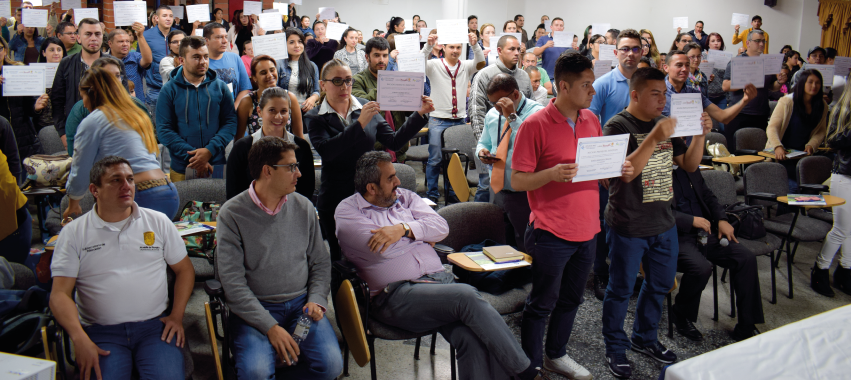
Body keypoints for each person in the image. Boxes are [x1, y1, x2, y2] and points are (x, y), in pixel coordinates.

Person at [334, 151, 542, 380]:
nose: (398, 182)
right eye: (391, 178)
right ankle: (526, 373)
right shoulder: (347, 212)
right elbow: (382, 250)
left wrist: (404, 230)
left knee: (470, 338)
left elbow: (442, 228)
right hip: (395, 295)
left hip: (439, 283)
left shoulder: (405, 197)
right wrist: (421, 235)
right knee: (466, 296)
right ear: (372, 188)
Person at [512, 51, 632, 380]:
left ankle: (556, 355)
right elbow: (517, 180)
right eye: (586, 85)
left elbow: (597, 172)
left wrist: (616, 169)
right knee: (542, 302)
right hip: (550, 230)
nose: (593, 91)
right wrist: (551, 174)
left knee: (572, 299)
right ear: (563, 86)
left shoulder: (590, 120)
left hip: (587, 227)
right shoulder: (535, 125)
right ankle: (532, 365)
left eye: (593, 84)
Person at [601, 67, 712, 378]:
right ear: (635, 95)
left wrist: (700, 134)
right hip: (629, 224)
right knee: (620, 290)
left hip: (664, 222)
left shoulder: (663, 123)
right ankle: (615, 347)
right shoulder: (616, 126)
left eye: (664, 93)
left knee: (661, 284)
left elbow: (689, 164)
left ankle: (644, 337)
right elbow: (625, 174)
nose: (663, 100)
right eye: (655, 94)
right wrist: (653, 138)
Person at [50, 155, 194, 380]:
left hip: (154, 327)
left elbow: (184, 270)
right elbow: (59, 294)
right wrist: (79, 338)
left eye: (130, 179)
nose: (126, 186)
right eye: (116, 180)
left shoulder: (158, 222)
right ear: (94, 190)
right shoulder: (74, 232)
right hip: (101, 331)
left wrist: (176, 316)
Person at [217, 136, 341, 380]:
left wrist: (316, 299)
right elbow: (232, 284)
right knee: (256, 373)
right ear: (268, 171)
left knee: (330, 366)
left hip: (301, 309)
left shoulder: (304, 207)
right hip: (254, 312)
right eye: (291, 167)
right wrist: (270, 327)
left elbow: (320, 261)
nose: (299, 173)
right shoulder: (232, 214)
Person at [305, 58, 432, 261]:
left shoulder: (365, 106)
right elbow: (328, 151)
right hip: (336, 197)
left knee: (371, 253)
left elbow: (393, 141)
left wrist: (419, 115)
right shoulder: (315, 116)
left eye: (348, 80)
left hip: (370, 195)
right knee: (340, 258)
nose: (344, 86)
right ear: (323, 85)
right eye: (337, 81)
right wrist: (359, 125)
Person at [63, 67, 178, 221]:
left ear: (92, 93)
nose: (83, 104)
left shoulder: (93, 121)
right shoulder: (135, 115)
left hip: (139, 196)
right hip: (167, 191)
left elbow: (80, 167)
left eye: (83, 97)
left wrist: (73, 202)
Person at [670, 166, 764, 341]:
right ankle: (681, 314)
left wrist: (721, 219)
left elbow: (708, 196)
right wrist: (690, 220)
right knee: (701, 268)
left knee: (746, 258)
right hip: (676, 235)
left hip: (705, 231)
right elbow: (655, 212)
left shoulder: (690, 168)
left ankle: (747, 325)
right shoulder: (656, 168)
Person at [476, 72, 545, 249]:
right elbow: (484, 142)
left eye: (499, 103)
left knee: (525, 242)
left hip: (523, 193)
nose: (496, 108)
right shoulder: (492, 114)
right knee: (501, 240)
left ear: (515, 94)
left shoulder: (537, 113)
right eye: (492, 103)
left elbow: (534, 144)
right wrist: (481, 152)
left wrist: (512, 117)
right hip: (498, 187)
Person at [156, 36, 237, 182]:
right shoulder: (168, 90)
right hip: (183, 167)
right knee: (184, 198)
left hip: (216, 164)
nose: (203, 62)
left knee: (217, 197)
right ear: (182, 60)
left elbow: (230, 123)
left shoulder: (220, 87)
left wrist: (209, 151)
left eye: (205, 56)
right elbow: (164, 130)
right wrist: (195, 158)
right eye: (196, 57)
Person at [419, 31, 483, 203]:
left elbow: (480, 63)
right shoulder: (434, 65)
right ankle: (432, 195)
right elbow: (419, 63)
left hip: (459, 120)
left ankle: (453, 192)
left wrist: (475, 45)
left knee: (455, 161)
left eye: (458, 47)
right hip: (438, 119)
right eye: (452, 47)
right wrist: (428, 46)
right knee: (435, 159)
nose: (455, 50)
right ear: (444, 48)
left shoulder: (466, 65)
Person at [469, 35, 531, 202]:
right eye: (512, 49)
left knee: (517, 195)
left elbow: (530, 111)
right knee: (485, 187)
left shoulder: (524, 76)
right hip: (492, 146)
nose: (517, 53)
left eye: (518, 49)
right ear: (499, 51)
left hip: (519, 144)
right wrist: (484, 147)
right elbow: (476, 111)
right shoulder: (484, 75)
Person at [228, 86, 312, 199]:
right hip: (250, 209)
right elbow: (233, 194)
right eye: (272, 110)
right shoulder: (242, 148)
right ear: (259, 111)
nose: (278, 116)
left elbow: (306, 191)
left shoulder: (302, 147)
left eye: (284, 111)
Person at [60, 57, 150, 157]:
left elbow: (149, 144)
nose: (114, 80)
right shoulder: (80, 109)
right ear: (93, 80)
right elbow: (74, 151)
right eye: (107, 76)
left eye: (117, 75)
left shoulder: (136, 105)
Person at [814, 83, 851, 297]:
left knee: (850, 229)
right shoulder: (841, 108)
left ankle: (845, 270)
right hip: (844, 174)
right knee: (841, 229)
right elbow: (832, 140)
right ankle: (820, 269)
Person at [765, 69, 827, 192]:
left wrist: (812, 145)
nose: (814, 86)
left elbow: (820, 131)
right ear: (802, 83)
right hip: (782, 155)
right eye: (810, 82)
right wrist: (777, 146)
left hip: (802, 155)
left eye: (817, 83)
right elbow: (772, 127)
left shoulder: (822, 105)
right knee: (793, 188)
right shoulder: (787, 101)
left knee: (809, 188)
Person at [352, 37, 411, 161]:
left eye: (385, 55)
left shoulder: (396, 79)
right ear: (367, 57)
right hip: (373, 152)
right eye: (376, 55)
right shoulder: (357, 80)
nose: (381, 60)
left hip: (398, 149)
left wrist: (414, 96)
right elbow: (362, 105)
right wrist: (388, 85)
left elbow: (407, 112)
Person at [722, 29, 780, 152]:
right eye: (757, 41)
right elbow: (725, 86)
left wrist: (780, 81)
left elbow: (772, 87)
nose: (761, 44)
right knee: (736, 152)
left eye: (763, 41)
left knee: (759, 152)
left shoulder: (767, 62)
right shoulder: (737, 61)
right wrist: (747, 80)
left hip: (761, 113)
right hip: (740, 113)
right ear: (748, 43)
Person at [236, 55, 304, 139]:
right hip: (256, 147)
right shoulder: (247, 101)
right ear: (254, 77)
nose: (270, 75)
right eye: (263, 73)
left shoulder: (290, 97)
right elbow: (239, 139)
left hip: (286, 147)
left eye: (272, 70)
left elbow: (299, 137)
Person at [0, 38, 42, 159]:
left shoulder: (16, 70)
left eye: (0, 48)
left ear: (5, 50)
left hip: (21, 136)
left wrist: (35, 107)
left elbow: (28, 106)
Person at [590, 29, 642, 125]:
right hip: (612, 135)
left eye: (635, 49)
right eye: (625, 49)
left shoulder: (648, 83)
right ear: (615, 53)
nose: (630, 54)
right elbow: (590, 121)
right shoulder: (602, 84)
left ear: (641, 53)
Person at [0, 119, 30, 264]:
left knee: (17, 269)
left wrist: (16, 190)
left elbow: (13, 161)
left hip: (13, 218)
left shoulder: (1, 124)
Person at [141, 6, 176, 119]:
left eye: (171, 16)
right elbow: (141, 59)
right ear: (156, 18)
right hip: (155, 88)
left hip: (176, 87)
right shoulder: (146, 35)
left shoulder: (178, 34)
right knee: (157, 122)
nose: (168, 18)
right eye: (164, 16)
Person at [205, 22, 252, 104]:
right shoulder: (201, 63)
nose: (224, 41)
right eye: (219, 37)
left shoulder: (235, 58)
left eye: (226, 37)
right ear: (206, 40)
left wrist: (234, 108)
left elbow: (245, 88)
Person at [276, 28, 321, 114]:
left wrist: (313, 98)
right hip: (285, 112)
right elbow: (273, 90)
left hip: (306, 112)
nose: (297, 45)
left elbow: (316, 91)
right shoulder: (278, 65)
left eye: (300, 42)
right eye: (291, 42)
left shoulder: (312, 66)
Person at [107, 23, 152, 105]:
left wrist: (140, 36)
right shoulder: (104, 61)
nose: (125, 44)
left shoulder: (135, 57)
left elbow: (147, 61)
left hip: (136, 105)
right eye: (120, 41)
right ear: (110, 44)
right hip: (112, 105)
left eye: (127, 41)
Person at [32, 37, 66, 133]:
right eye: (51, 50)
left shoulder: (69, 72)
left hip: (65, 124)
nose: (56, 53)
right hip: (43, 125)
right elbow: (30, 103)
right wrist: (36, 108)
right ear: (43, 53)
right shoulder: (35, 73)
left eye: (59, 50)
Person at [705, 33, 728, 127]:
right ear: (708, 43)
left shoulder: (726, 57)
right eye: (713, 41)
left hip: (721, 96)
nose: (716, 43)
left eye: (718, 41)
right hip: (706, 97)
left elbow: (728, 78)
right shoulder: (702, 56)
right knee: (707, 126)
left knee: (723, 126)